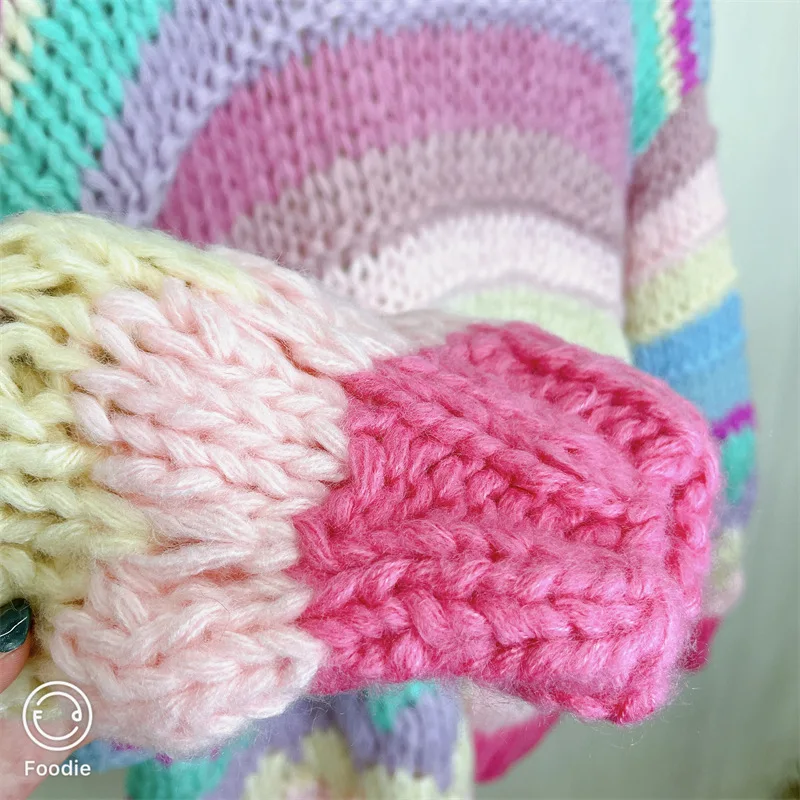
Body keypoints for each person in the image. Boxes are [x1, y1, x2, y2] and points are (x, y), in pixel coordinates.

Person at [0, 0, 755, 797]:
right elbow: (41, 386)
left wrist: (700, 534)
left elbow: (681, 265)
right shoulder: (60, 34)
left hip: (541, 639)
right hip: (265, 719)